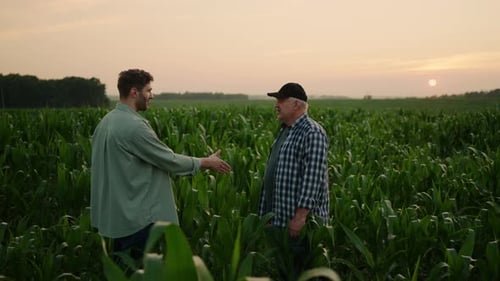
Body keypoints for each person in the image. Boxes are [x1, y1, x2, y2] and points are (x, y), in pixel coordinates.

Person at [90, 69, 231, 263]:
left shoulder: (106, 122)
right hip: (136, 219)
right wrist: (206, 162)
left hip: (115, 217)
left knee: (121, 271)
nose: (151, 96)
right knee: (137, 272)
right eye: (148, 90)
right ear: (134, 92)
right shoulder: (134, 126)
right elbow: (168, 160)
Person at [258, 82, 329, 279]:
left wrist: (300, 217)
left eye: (281, 100)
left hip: (299, 226)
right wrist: (266, 214)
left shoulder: (312, 132)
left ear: (297, 105)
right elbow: (273, 175)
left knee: (301, 274)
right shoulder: (285, 131)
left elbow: (313, 177)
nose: (276, 104)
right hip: (279, 221)